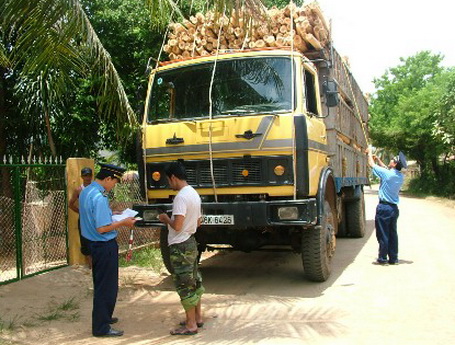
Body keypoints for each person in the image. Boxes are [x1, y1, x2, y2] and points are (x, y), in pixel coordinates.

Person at [79, 163, 137, 337]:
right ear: (107, 178)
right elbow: (102, 228)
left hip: (93, 245)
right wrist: (123, 222)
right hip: (104, 245)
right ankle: (101, 327)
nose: (114, 186)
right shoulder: (99, 196)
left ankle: (104, 317)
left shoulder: (86, 192)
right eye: (114, 182)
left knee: (101, 284)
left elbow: (93, 216)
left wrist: (112, 213)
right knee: (107, 287)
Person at [158, 161, 204, 336]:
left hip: (180, 244)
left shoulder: (180, 198)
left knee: (184, 284)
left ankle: (191, 324)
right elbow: (198, 222)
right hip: (191, 241)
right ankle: (198, 318)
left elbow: (177, 226)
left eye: (168, 180)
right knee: (194, 280)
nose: (169, 184)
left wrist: (165, 219)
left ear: (173, 177)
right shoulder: (194, 193)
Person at [366, 149, 407, 265]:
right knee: (392, 234)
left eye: (392, 160)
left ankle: (383, 258)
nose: (390, 160)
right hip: (394, 209)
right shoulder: (399, 176)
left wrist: (369, 153)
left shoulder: (387, 174)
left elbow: (371, 165)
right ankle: (393, 258)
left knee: (383, 234)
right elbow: (386, 169)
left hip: (384, 208)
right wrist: (379, 159)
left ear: (394, 164)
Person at [68, 167, 93, 268]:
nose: (87, 178)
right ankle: (91, 265)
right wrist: (80, 212)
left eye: (89, 175)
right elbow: (70, 204)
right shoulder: (79, 190)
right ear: (82, 177)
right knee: (85, 241)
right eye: (85, 175)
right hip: (84, 221)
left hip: (95, 219)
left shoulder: (97, 188)